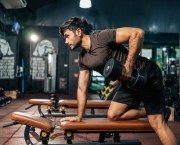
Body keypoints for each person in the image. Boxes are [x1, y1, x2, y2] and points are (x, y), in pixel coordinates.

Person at [59, 16, 178, 145]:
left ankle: (156, 112)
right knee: (113, 115)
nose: (66, 41)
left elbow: (137, 33)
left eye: (67, 36)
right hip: (128, 82)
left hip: (146, 72)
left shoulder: (101, 37)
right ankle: (161, 109)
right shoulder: (83, 59)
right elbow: (82, 88)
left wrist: (128, 67)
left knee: (156, 122)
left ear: (78, 32)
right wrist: (79, 116)